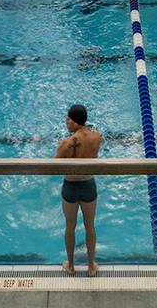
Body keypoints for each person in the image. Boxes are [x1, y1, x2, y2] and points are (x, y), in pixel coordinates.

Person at [56, 104, 103, 276]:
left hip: (70, 186)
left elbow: (55, 166)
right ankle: (91, 266)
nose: (66, 122)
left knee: (70, 226)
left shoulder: (66, 143)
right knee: (90, 225)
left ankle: (71, 265)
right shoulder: (97, 137)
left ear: (75, 122)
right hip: (88, 184)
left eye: (68, 119)